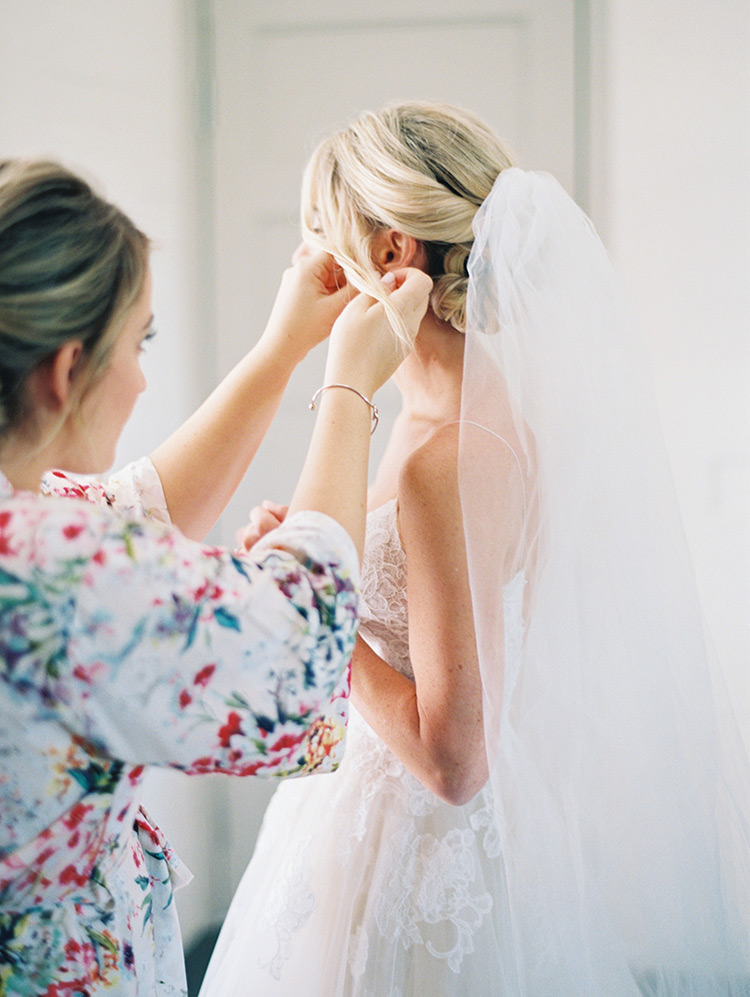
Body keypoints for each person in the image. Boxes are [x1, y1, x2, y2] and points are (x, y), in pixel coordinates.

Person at [201, 102, 750, 996]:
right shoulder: (478, 405)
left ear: (391, 253)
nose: (306, 260)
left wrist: (320, 619)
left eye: (319, 233)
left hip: (408, 854)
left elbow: (454, 758)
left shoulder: (445, 452)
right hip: (405, 825)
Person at [0, 158, 431, 996]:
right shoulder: (47, 570)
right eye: (140, 342)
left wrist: (282, 351)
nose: (143, 376)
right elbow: (299, 663)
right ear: (66, 368)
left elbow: (126, 512)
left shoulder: (33, 524)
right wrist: (347, 383)